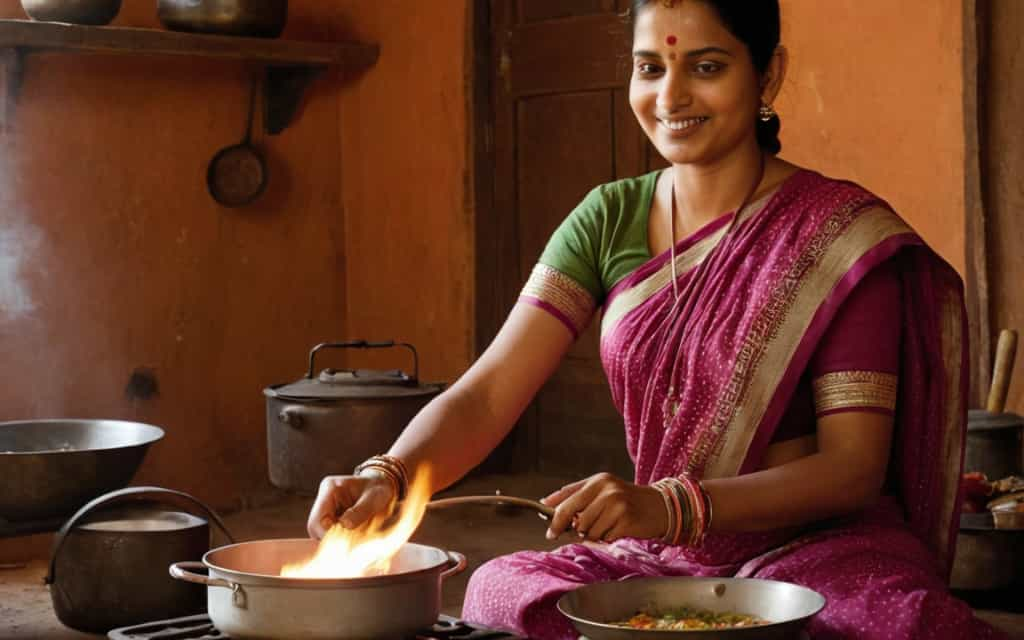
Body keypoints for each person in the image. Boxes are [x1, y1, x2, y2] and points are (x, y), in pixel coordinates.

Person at [307, 1, 1005, 638]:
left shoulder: (836, 239)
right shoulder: (607, 218)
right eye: (650, 67)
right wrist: (389, 476)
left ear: (767, 74)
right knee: (497, 591)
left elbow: (852, 469)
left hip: (821, 552)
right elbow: (491, 392)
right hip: (663, 557)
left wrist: (671, 507)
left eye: (706, 67)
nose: (670, 98)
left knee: (901, 626)